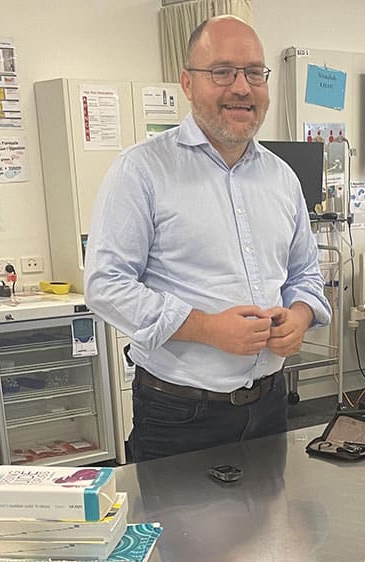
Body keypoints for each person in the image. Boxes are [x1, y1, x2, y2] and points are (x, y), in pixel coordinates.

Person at [84, 15, 331, 462]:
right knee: (179, 534)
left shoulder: (281, 177)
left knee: (267, 531)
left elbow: (305, 275)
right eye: (222, 72)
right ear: (188, 82)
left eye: (255, 72)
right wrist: (208, 329)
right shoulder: (141, 171)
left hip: (270, 406)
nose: (242, 87)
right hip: (179, 415)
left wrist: (299, 315)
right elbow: (106, 287)